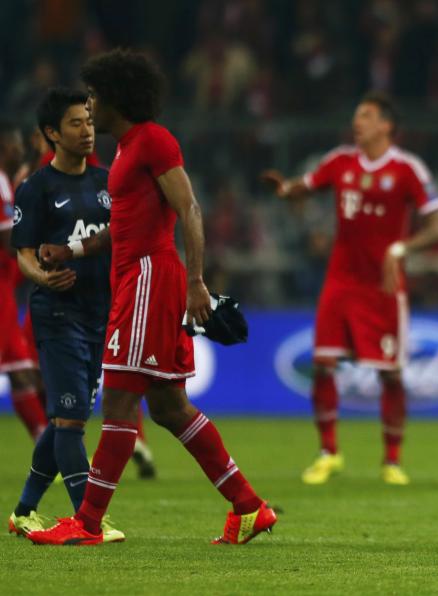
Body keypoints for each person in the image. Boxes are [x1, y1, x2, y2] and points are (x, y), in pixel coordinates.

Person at [28, 49, 275, 546]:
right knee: (167, 407)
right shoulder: (126, 149)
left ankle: (88, 522)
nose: (90, 105)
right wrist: (72, 249)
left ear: (118, 96)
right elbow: (120, 227)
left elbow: (191, 209)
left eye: (95, 95)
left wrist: (197, 282)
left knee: (119, 400)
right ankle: (250, 507)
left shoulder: (154, 141)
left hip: (148, 278)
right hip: (136, 278)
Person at [262, 92, 438, 486]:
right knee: (323, 364)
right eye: (356, 115)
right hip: (340, 281)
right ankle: (328, 452)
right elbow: (307, 185)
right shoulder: (340, 161)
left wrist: (401, 248)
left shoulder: (407, 168)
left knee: (391, 375)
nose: (357, 122)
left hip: (382, 288)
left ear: (386, 125)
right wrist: (285, 190)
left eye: (365, 116)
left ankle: (392, 460)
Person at [7, 88, 123, 541]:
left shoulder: (107, 182)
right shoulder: (35, 188)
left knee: (64, 420)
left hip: (100, 314)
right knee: (71, 422)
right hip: (57, 315)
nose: (88, 130)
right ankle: (87, 518)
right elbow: (24, 255)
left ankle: (23, 511)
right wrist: (43, 278)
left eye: (90, 121)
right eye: (76, 123)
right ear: (52, 133)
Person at [0, 120, 47, 441]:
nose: (21, 151)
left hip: (5, 287)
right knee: (22, 372)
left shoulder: (9, 181)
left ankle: (49, 448)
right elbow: (7, 239)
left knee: (23, 371)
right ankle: (52, 452)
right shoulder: (2, 180)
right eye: (16, 145)